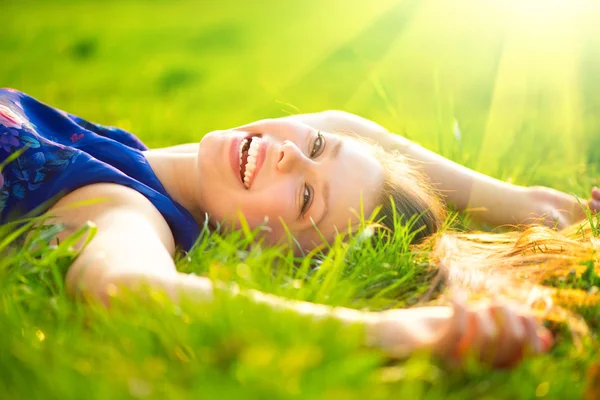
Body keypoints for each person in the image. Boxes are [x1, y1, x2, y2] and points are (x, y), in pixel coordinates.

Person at [0, 88, 593, 368]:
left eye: (307, 197)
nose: (290, 155)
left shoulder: (118, 206)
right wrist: (526, 204)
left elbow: (123, 287)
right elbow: (345, 126)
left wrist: (398, 333)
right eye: (313, 146)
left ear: (262, 251)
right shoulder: (151, 162)